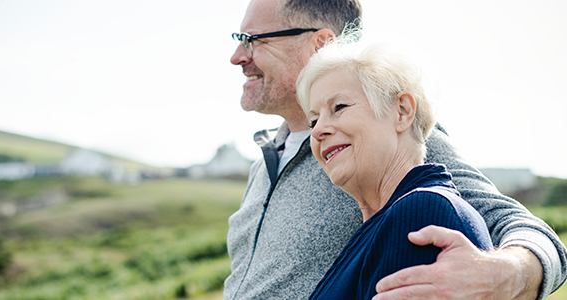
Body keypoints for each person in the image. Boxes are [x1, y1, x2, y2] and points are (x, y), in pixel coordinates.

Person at [225, 0, 567, 299]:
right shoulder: (265, 163)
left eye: (253, 41)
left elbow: (521, 227)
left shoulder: (391, 138)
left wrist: (505, 276)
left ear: (321, 44)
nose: (237, 56)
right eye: (316, 121)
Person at [296, 36, 494, 299]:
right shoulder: (383, 225)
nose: (319, 130)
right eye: (313, 121)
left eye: (339, 107)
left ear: (402, 111)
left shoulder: (421, 212)